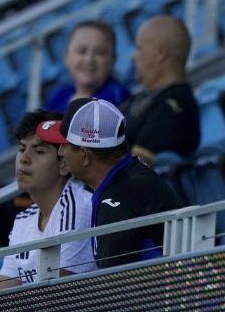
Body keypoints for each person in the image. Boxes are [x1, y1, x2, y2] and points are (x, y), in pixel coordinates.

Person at [38, 97, 181, 268]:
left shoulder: (117, 199)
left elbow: (112, 286)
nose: (60, 152)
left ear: (84, 156)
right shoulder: (130, 175)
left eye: (64, 145)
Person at [0, 110, 95, 290]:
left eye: (39, 151)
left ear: (64, 164)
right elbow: (0, 294)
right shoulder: (23, 220)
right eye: (22, 149)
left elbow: (58, 295)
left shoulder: (79, 207)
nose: (24, 159)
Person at [121, 14, 200, 159]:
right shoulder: (139, 100)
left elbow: (137, 168)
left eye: (139, 48)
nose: (133, 57)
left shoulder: (174, 107)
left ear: (161, 53)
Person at [44, 20, 132, 112]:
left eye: (99, 53)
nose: (89, 59)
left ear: (113, 59)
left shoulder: (118, 98)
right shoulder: (58, 96)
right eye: (81, 51)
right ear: (66, 56)